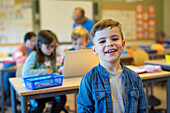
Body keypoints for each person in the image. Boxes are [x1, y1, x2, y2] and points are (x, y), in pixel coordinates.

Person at [76, 19, 148, 112]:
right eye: (102, 41)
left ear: (123, 45)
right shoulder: (88, 80)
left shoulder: (135, 78)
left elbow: (142, 109)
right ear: (94, 50)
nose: (110, 43)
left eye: (114, 39)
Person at [22, 30, 67, 113]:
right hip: (34, 90)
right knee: (39, 105)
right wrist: (46, 71)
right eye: (48, 47)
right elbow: (26, 73)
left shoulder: (52, 56)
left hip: (49, 88)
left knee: (62, 98)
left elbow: (54, 72)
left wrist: (59, 73)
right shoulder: (34, 55)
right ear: (39, 45)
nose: (51, 49)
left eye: (53, 46)